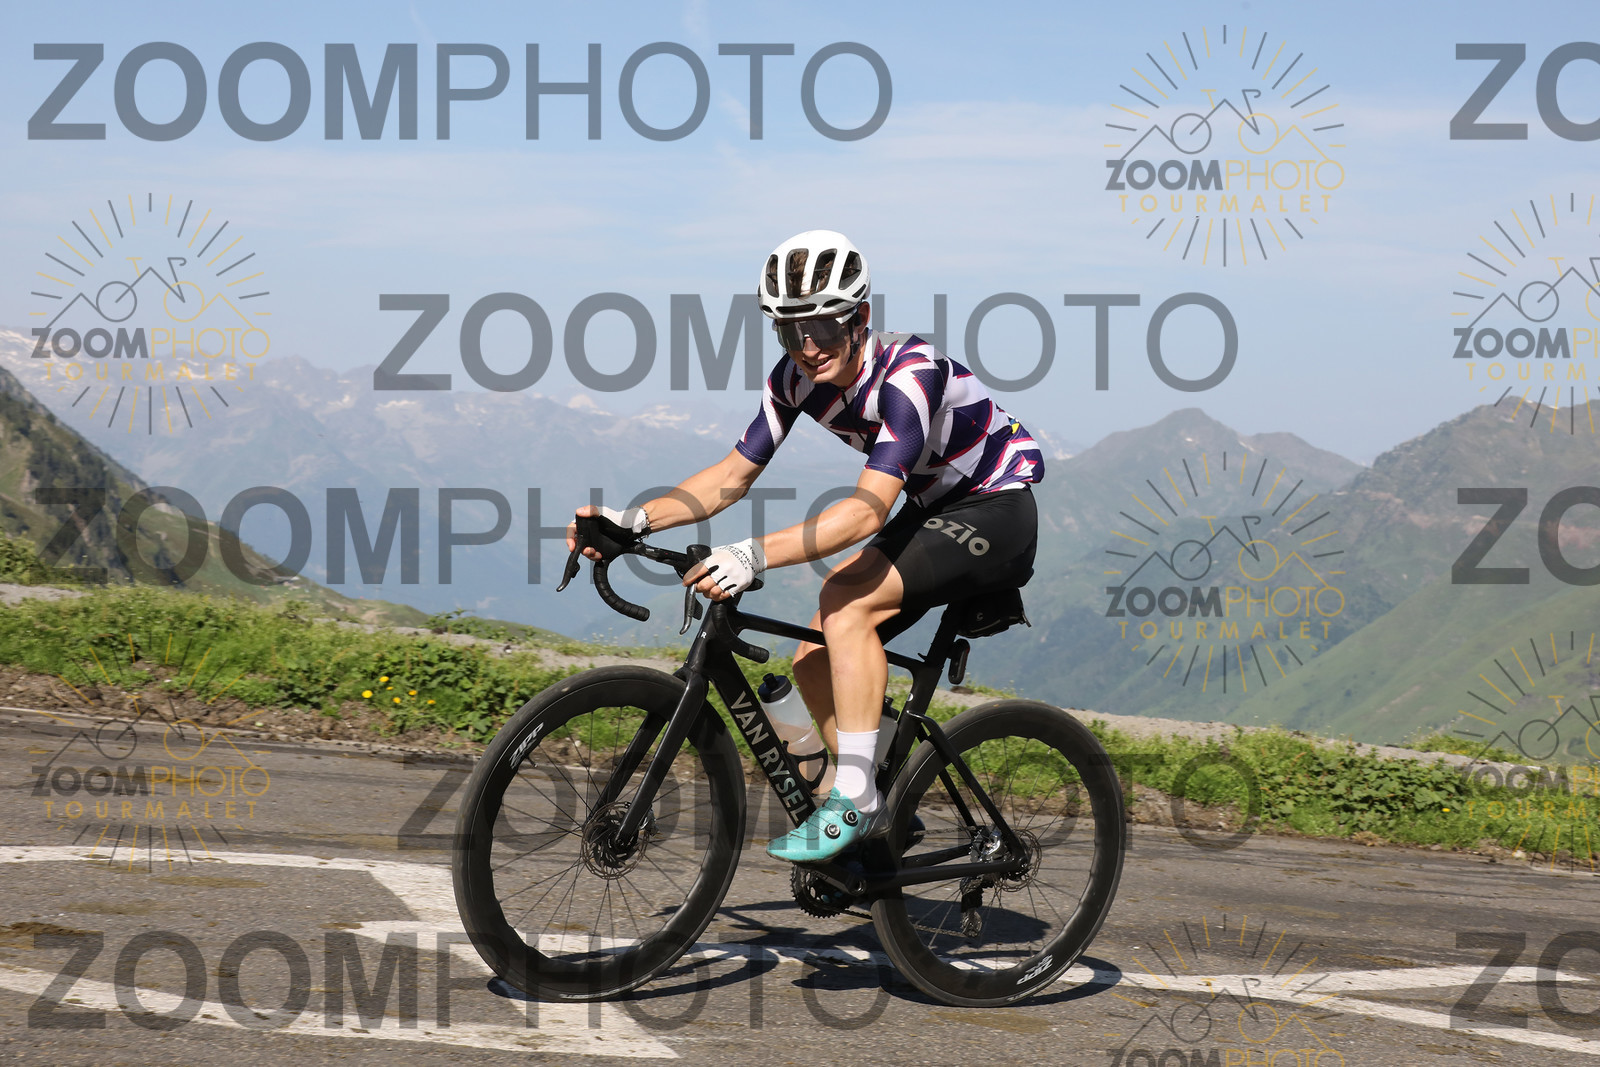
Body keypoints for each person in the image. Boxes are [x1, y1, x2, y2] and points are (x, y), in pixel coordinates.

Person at [568, 230, 1044, 863]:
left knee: (845, 603)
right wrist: (633, 521)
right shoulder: (793, 380)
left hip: (997, 509)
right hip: (933, 508)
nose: (808, 347)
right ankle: (880, 796)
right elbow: (731, 477)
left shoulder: (909, 376)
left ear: (860, 317)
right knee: (813, 657)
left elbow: (866, 511)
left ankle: (856, 799)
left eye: (821, 327)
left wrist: (752, 554)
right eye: (789, 331)